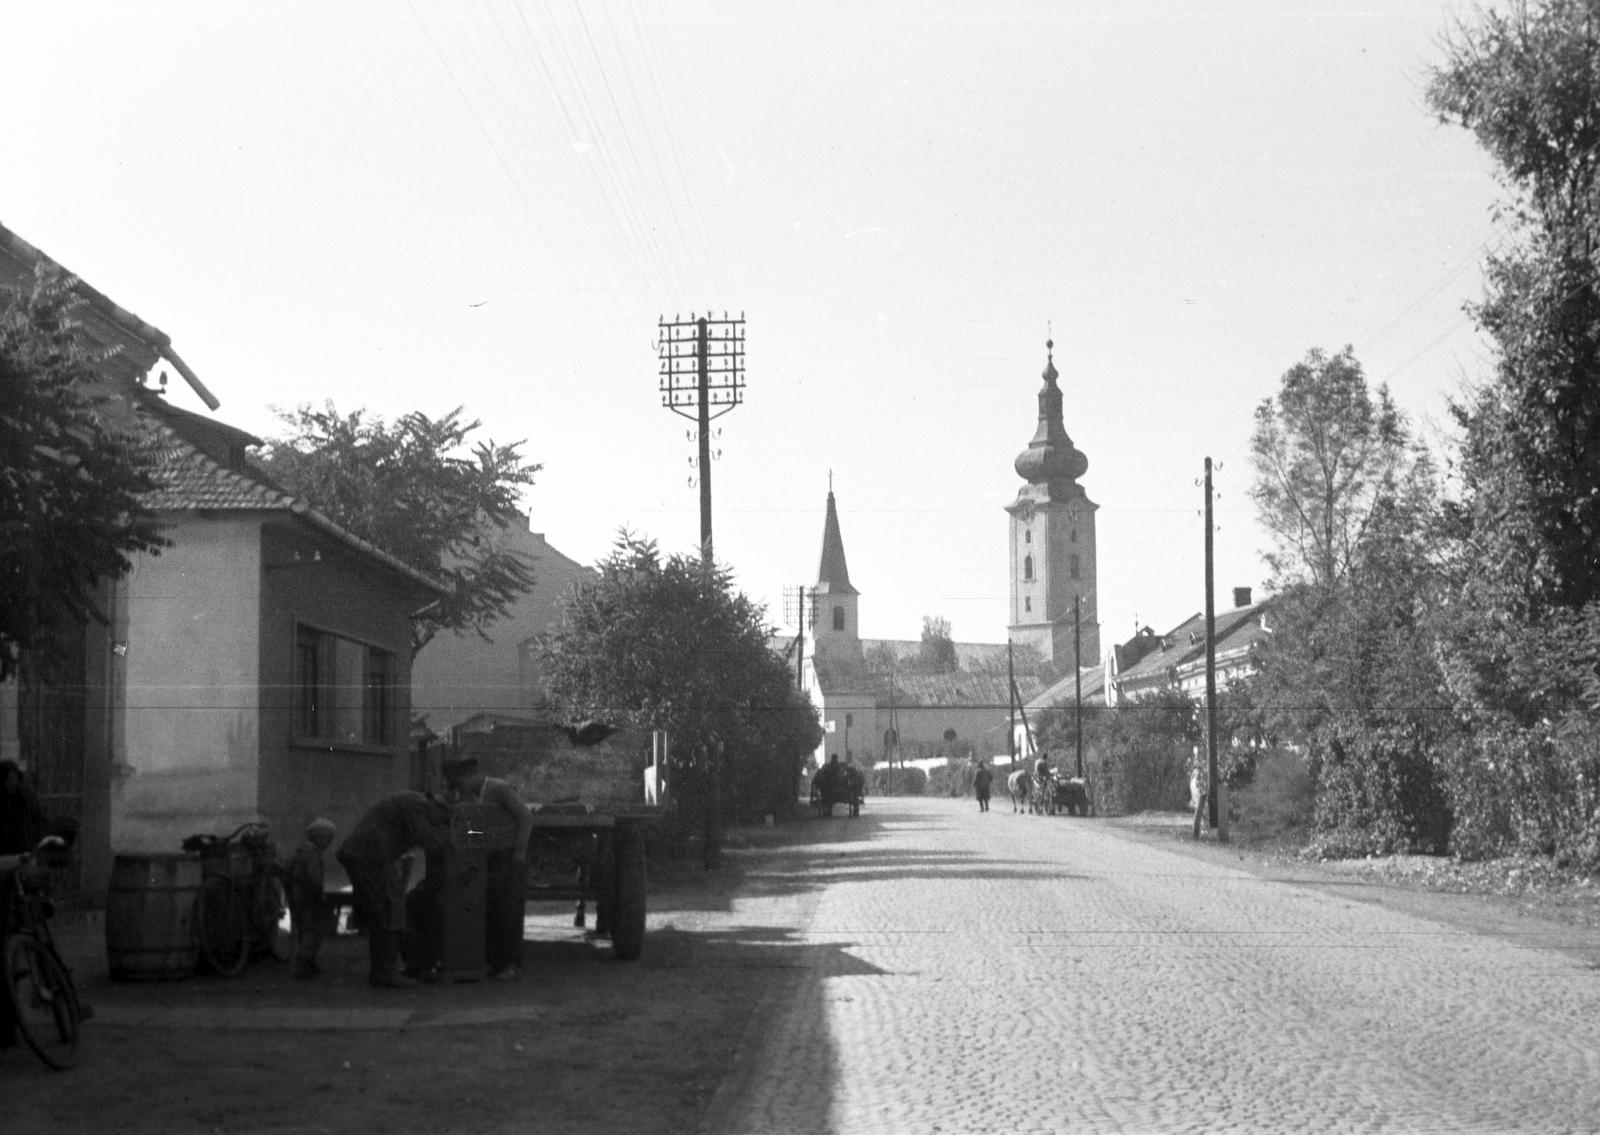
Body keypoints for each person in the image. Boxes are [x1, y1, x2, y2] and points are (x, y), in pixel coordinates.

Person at [335, 791, 451, 989]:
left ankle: (388, 970)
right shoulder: (417, 805)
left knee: (388, 910)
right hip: (369, 858)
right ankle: (385, 973)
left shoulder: (412, 804)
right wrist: (454, 836)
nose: (439, 823)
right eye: (441, 819)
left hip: (371, 857)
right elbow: (427, 839)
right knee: (387, 911)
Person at [442, 757, 535, 982]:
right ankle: (497, 963)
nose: (459, 788)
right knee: (493, 909)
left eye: (459, 782)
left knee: (509, 910)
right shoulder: (474, 796)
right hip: (492, 857)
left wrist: (519, 853)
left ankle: (511, 964)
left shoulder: (499, 789)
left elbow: (525, 818)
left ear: (469, 776)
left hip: (509, 856)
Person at [286, 818, 337, 979]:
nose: (328, 842)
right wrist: (319, 893)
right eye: (327, 838)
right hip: (309, 893)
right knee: (312, 928)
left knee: (304, 927)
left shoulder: (301, 850)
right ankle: (305, 962)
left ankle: (308, 960)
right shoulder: (313, 853)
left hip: (298, 893)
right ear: (318, 837)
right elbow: (314, 876)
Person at [0, 761, 46, 857]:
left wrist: (35, 843)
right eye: (8, 779)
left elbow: (38, 819)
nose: (11, 783)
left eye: (14, 778)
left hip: (23, 850)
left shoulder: (26, 795)